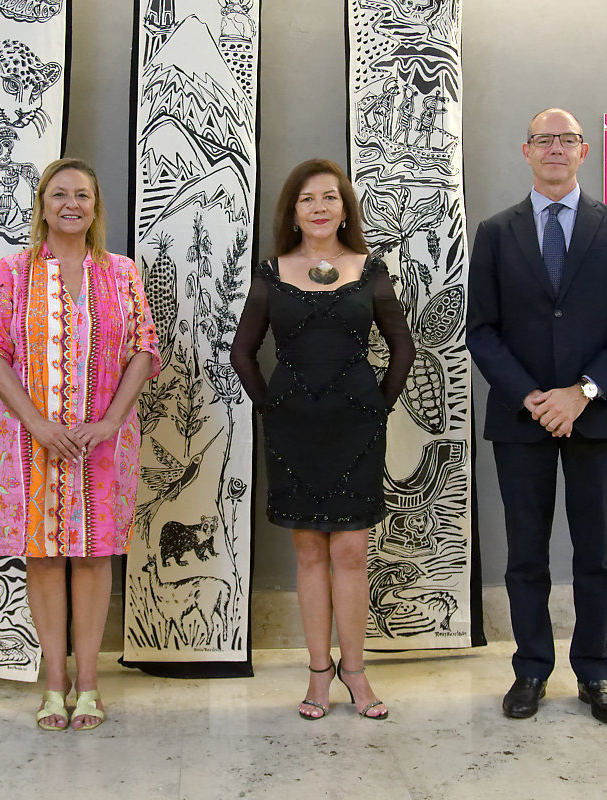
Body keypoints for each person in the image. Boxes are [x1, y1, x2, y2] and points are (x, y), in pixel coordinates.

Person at [466, 108, 607, 724]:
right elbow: (483, 331)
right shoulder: (496, 233)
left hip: (599, 419)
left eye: (567, 140)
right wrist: (534, 398)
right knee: (525, 554)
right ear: (526, 151)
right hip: (521, 421)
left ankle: (596, 674)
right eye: (544, 139)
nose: (555, 148)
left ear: (584, 152)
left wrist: (581, 393)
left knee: (596, 553)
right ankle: (530, 670)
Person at [0, 158, 160, 731]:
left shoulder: (123, 273)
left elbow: (145, 351)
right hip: (31, 444)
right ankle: (54, 683)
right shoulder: (13, 269)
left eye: (83, 193)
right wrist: (36, 424)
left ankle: (90, 684)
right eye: (59, 194)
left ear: (96, 205)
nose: (71, 203)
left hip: (104, 441)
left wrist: (109, 423)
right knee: (45, 557)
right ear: (42, 205)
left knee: (93, 555)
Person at [231, 159, 416, 720]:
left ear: (344, 208)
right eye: (307, 198)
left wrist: (375, 406)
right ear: (293, 211)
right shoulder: (270, 272)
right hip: (294, 429)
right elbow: (243, 352)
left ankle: (355, 672)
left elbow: (402, 347)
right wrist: (273, 407)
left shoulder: (371, 268)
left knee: (353, 550)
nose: (319, 207)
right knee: (309, 552)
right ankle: (317, 673)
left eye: (330, 198)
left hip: (356, 426)